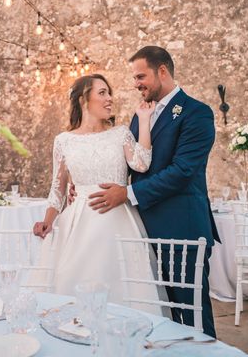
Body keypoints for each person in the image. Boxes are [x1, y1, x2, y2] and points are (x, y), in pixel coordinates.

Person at [77, 46, 220, 337]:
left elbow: (182, 172)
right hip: (141, 231)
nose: (136, 83)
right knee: (158, 311)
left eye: (141, 76)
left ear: (162, 71)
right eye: (134, 77)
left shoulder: (196, 113)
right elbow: (131, 164)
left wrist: (126, 194)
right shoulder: (139, 116)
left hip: (182, 228)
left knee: (191, 310)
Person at [32, 74, 162, 310]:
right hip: (77, 225)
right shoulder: (64, 141)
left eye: (109, 92)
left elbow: (141, 164)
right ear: (84, 99)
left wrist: (144, 121)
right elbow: (57, 188)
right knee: (71, 286)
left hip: (118, 222)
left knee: (123, 290)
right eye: (102, 93)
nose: (110, 98)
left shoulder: (120, 134)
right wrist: (48, 220)